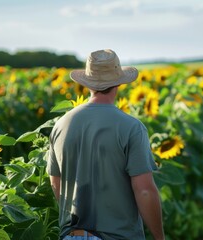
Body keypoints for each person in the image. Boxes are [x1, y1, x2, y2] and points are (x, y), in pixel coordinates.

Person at [46, 49, 165, 240]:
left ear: (87, 84)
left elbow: (55, 182)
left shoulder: (61, 124)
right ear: (118, 82)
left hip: (71, 235)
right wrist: (160, 238)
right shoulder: (131, 127)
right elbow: (144, 191)